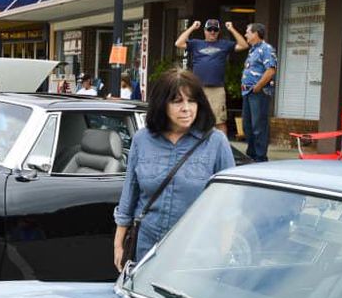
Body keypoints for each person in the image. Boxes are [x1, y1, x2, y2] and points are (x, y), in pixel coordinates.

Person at [113, 69, 235, 271]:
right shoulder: (142, 140)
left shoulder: (215, 142)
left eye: (192, 101)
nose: (186, 108)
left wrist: (224, 251)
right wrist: (119, 244)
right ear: (162, 104)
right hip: (147, 247)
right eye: (177, 101)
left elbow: (229, 206)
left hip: (197, 250)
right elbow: (129, 195)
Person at [175, 18, 249, 130]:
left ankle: (221, 147)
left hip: (217, 89)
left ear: (219, 32)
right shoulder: (196, 43)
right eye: (210, 29)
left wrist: (232, 29)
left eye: (215, 30)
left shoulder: (224, 44)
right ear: (205, 31)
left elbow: (244, 45)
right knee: (194, 119)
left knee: (219, 121)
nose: (212, 32)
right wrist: (192, 27)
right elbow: (178, 43)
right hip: (198, 89)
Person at [241, 22, 278, 162]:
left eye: (248, 32)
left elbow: (271, 70)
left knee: (259, 126)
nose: (246, 35)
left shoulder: (266, 49)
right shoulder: (253, 50)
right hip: (248, 93)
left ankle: (260, 157)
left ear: (256, 33)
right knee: (248, 125)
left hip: (259, 93)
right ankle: (251, 154)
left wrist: (258, 86)